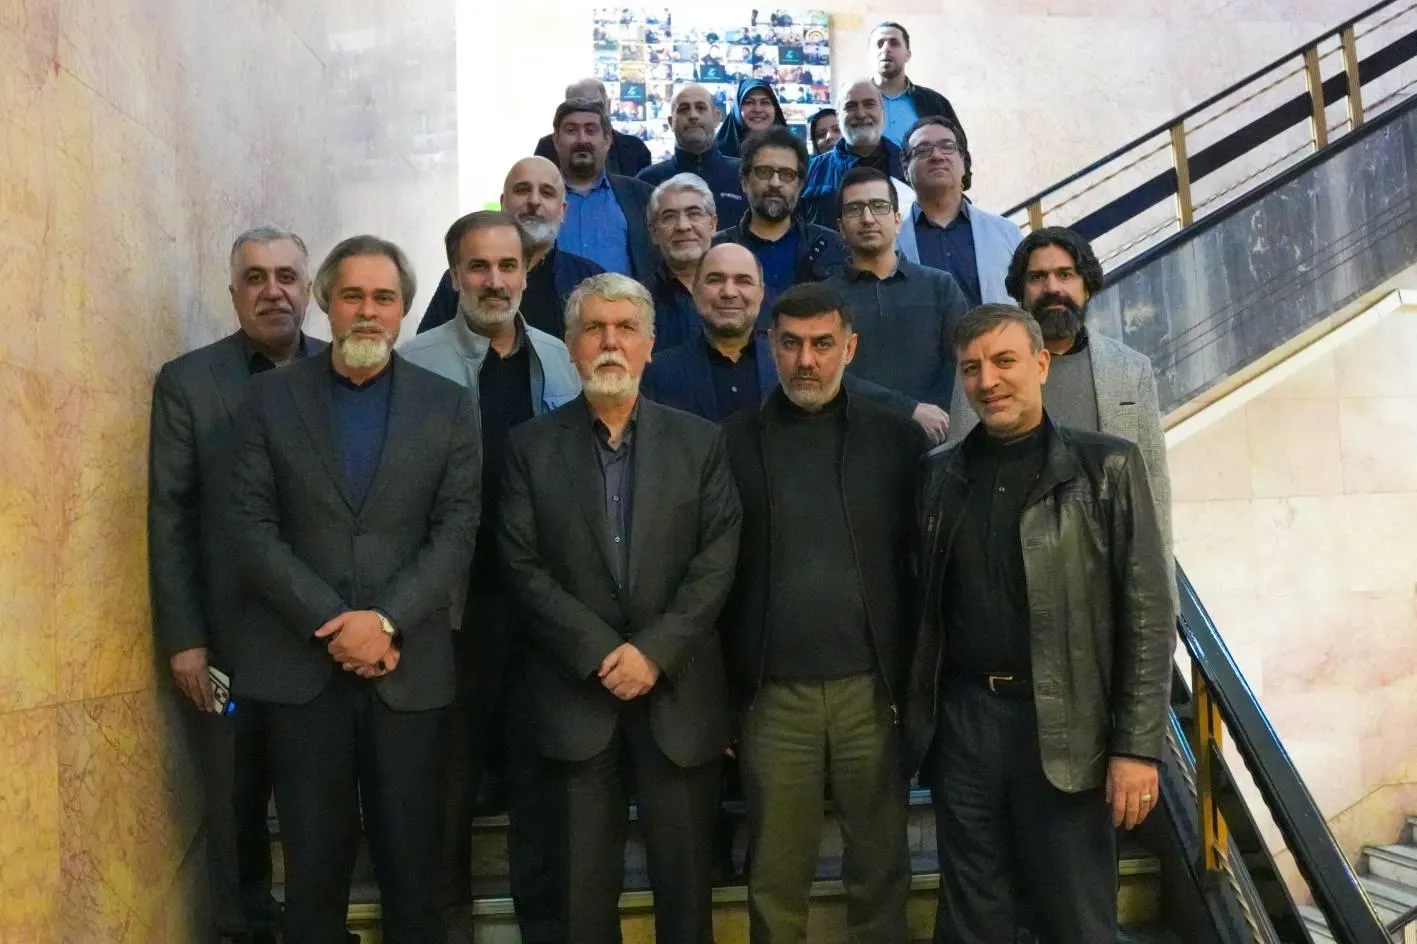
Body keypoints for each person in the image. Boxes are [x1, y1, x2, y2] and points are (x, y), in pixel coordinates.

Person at [230, 235, 480, 944]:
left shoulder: (448, 406)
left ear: (403, 310)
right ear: (325, 303)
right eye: (353, 295)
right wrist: (337, 623)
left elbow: (456, 532)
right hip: (299, 674)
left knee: (415, 876)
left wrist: (387, 621)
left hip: (409, 674)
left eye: (383, 297)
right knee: (312, 880)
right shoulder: (267, 400)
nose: (368, 310)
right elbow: (250, 528)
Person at [908, 303, 1175, 944]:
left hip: (1068, 724)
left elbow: (1146, 612)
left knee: (1077, 918)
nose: (988, 381)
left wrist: (1137, 746)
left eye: (1004, 361)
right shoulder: (938, 476)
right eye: (972, 368)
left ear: (1041, 364)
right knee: (972, 919)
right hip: (966, 725)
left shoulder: (1107, 467)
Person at [498, 273, 742, 944]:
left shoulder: (701, 443)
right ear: (571, 345)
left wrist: (653, 653)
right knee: (580, 900)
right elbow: (521, 567)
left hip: (678, 697)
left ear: (650, 345)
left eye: (626, 328)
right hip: (575, 697)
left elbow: (716, 562)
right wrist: (604, 653)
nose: (610, 342)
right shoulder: (528, 448)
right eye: (594, 329)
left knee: (686, 898)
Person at [721, 281, 925, 943]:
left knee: (881, 870)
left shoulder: (897, 441)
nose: (805, 360)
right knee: (775, 881)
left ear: (850, 347)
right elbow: (711, 579)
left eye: (822, 344)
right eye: (790, 344)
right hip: (771, 698)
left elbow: (919, 571)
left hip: (873, 693)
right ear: (769, 346)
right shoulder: (729, 444)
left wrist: (914, 685)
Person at [399, 212, 580, 941]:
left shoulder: (560, 359)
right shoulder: (413, 364)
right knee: (446, 789)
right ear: (454, 274)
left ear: (527, 273)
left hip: (540, 612)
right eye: (478, 266)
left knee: (540, 784)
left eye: (509, 266)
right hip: (450, 613)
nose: (495, 281)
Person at [148, 226, 324, 944]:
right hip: (224, 650)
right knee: (231, 799)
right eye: (255, 278)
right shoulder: (190, 383)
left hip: (319, 643)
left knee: (317, 807)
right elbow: (171, 515)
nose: (272, 291)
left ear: (309, 290)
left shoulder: (344, 371)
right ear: (233, 293)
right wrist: (186, 640)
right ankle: (241, 929)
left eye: (286, 276)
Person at [946, 226, 1173, 565]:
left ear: (1087, 288)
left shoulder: (1130, 370)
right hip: (1011, 562)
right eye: (1037, 277)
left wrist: (1161, 582)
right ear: (1020, 293)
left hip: (1104, 564)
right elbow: (959, 473)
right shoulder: (984, 373)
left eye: (1065, 274)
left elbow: (1153, 485)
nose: (1052, 288)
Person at [821, 167, 965, 446]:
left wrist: (931, 417)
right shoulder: (823, 298)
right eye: (854, 209)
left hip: (936, 442)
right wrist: (907, 410)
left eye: (879, 206)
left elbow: (960, 361)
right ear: (840, 227)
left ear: (897, 220)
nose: (867, 218)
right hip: (854, 445)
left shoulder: (939, 286)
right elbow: (827, 371)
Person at [417, 156, 603, 337]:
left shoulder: (590, 279)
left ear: (562, 210)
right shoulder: (463, 277)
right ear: (502, 203)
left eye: (546, 193)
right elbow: (427, 350)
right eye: (522, 190)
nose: (534, 201)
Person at [714, 126, 845, 321]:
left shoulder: (831, 246)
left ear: (800, 185)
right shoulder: (717, 250)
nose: (775, 183)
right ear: (744, 181)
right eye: (764, 172)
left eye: (786, 174)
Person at [897, 115, 1022, 308]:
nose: (937, 156)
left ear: (963, 162)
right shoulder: (890, 240)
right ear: (906, 169)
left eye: (947, 146)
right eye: (922, 150)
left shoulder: (1007, 233)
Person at [549, 98, 657, 282]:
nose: (582, 139)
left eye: (591, 130)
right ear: (556, 140)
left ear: (607, 140)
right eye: (571, 130)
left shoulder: (642, 197)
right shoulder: (539, 200)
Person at [800, 80, 908, 223]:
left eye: (869, 104)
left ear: (883, 111)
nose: (861, 114)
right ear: (838, 116)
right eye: (850, 106)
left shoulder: (909, 167)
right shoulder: (810, 170)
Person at [637, 84, 746, 221]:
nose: (693, 115)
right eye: (683, 109)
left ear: (717, 118)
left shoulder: (744, 174)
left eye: (701, 108)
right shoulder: (647, 181)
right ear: (671, 122)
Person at [645, 173, 719, 351]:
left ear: (713, 225)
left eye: (694, 214)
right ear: (654, 232)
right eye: (669, 216)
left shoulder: (743, 293)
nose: (683, 226)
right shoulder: (639, 302)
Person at [534, 78, 652, 177]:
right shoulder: (547, 147)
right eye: (577, 106)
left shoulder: (635, 148)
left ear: (608, 105)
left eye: (593, 105)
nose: (586, 113)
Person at [869, 21, 961, 145]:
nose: (886, 49)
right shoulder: (852, 103)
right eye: (880, 44)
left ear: (907, 55)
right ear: (869, 55)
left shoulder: (935, 102)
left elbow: (959, 148)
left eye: (894, 43)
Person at [713, 77, 788, 158]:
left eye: (765, 102)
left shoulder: (791, 151)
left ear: (775, 108)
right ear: (737, 109)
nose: (758, 109)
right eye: (749, 102)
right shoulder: (715, 154)